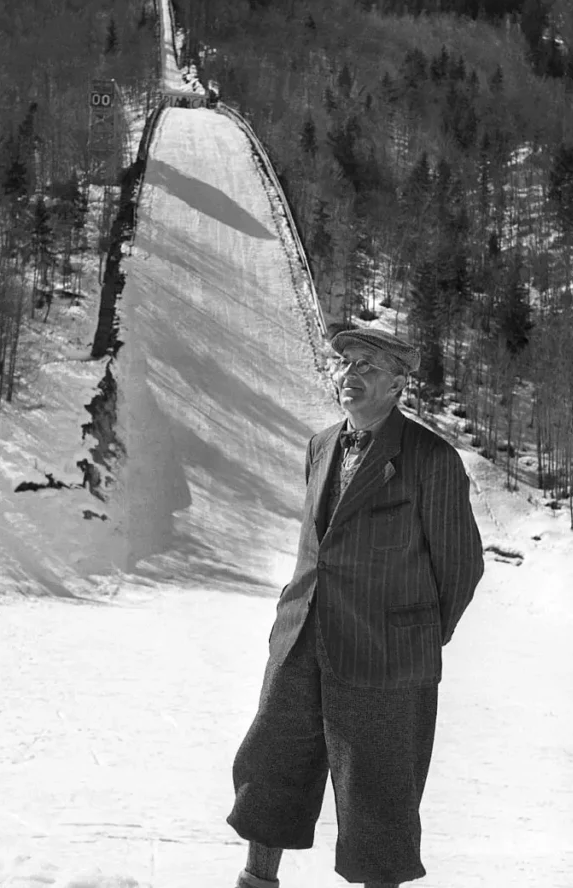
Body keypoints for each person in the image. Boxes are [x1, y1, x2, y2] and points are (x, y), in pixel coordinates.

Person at [227, 327, 484, 888]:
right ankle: (256, 880)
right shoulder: (320, 445)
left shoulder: (431, 458)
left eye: (369, 365)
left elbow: (461, 565)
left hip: (385, 653)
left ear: (397, 385)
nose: (352, 374)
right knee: (271, 768)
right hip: (301, 637)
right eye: (346, 363)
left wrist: (414, 632)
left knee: (378, 791)